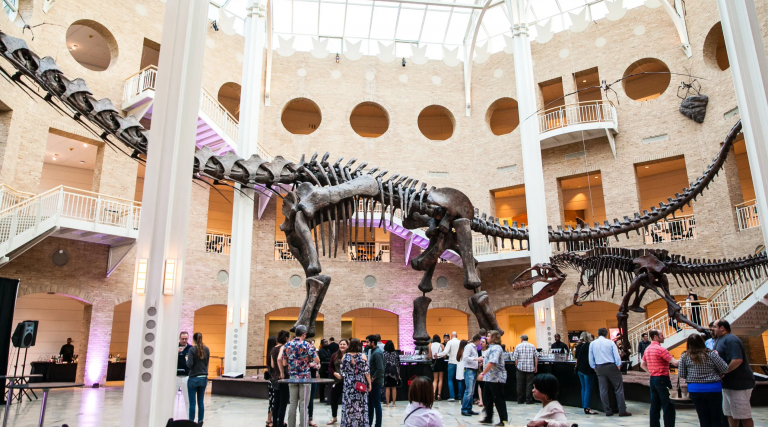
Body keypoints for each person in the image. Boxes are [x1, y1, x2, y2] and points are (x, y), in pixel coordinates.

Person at [678, 334, 728, 427]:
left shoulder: (684, 356)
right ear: (702, 342)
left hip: (695, 389)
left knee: (703, 417)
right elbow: (724, 368)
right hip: (713, 388)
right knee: (716, 417)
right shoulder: (711, 354)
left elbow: (682, 374)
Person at [713, 319, 755, 427]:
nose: (712, 329)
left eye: (714, 327)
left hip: (739, 384)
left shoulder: (731, 340)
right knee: (730, 413)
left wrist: (724, 371)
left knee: (743, 414)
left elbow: (737, 360)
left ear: (722, 328)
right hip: (728, 384)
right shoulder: (719, 340)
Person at [279, 325, 320, 427]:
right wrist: (307, 362)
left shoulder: (287, 345)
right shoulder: (307, 345)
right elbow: (317, 360)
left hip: (292, 378)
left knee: (293, 404)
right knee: (303, 404)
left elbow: (284, 363)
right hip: (305, 378)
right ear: (304, 334)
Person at [589, 327, 631, 417]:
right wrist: (618, 364)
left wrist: (593, 367)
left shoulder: (592, 344)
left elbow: (591, 357)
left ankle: (607, 410)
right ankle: (622, 410)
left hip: (599, 367)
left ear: (598, 333)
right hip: (611, 366)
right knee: (618, 389)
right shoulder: (610, 342)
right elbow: (616, 354)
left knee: (603, 390)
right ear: (606, 334)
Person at [641, 329, 679, 427]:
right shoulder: (661, 350)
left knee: (655, 405)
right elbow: (675, 363)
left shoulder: (647, 349)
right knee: (668, 405)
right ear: (656, 337)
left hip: (653, 379)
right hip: (663, 379)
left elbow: (642, 364)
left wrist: (651, 372)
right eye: (662, 335)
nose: (664, 337)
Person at [477, 330, 507, 426]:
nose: (487, 338)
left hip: (496, 378)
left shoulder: (496, 348)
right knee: (487, 398)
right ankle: (488, 417)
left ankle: (503, 420)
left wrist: (482, 374)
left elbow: (492, 362)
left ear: (494, 338)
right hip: (489, 378)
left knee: (498, 400)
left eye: (489, 336)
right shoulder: (491, 348)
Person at [341, 338, 371, 427]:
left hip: (348, 384)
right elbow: (367, 372)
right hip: (360, 384)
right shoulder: (363, 356)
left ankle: (348, 424)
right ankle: (361, 424)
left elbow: (342, 372)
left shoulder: (345, 356)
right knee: (361, 406)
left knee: (348, 406)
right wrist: (369, 383)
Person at [186, 332, 210, 426]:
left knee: (192, 402)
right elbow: (206, 363)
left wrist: (186, 360)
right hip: (203, 378)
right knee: (201, 402)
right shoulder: (207, 349)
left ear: (194, 339)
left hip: (193, 378)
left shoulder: (192, 349)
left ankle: (191, 422)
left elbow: (190, 364)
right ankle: (200, 422)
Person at [574, 332, 597, 415]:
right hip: (587, 369)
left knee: (583, 388)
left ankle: (584, 406)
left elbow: (576, 359)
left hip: (579, 369)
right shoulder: (589, 346)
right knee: (588, 389)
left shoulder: (578, 346)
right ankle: (587, 407)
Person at [271, 330, 290, 427]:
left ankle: (275, 424)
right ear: (286, 338)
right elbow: (280, 360)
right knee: (283, 403)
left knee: (276, 403)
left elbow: (272, 365)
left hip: (274, 378)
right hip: (283, 379)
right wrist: (282, 371)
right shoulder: (284, 347)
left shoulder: (274, 348)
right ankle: (281, 424)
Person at [327, 339, 348, 425]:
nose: (342, 345)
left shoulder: (350, 355)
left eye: (344, 344)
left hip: (348, 382)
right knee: (334, 399)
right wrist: (335, 373)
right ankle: (334, 417)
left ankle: (347, 418)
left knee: (347, 401)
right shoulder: (334, 355)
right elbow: (330, 367)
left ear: (347, 346)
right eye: (341, 344)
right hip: (337, 381)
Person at [512, 334, 537, 404]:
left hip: (520, 368)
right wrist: (536, 367)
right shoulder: (532, 346)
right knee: (529, 384)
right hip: (530, 368)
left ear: (522, 339)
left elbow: (515, 357)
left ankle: (520, 399)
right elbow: (536, 357)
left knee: (520, 384)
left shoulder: (518, 346)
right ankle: (528, 399)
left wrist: (517, 365)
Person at [460, 334, 481, 416]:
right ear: (478, 340)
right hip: (469, 370)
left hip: (473, 370)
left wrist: (478, 362)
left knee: (471, 391)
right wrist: (476, 359)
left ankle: (469, 408)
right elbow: (465, 357)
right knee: (468, 391)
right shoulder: (469, 347)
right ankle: (464, 409)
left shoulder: (474, 347)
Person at [366, 334, 385, 427]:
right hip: (373, 381)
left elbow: (380, 369)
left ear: (372, 342)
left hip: (376, 382)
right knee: (370, 403)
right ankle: (369, 422)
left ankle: (378, 424)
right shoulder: (373, 351)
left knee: (376, 403)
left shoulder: (377, 353)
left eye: (368, 342)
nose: (366, 344)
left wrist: (372, 379)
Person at [438, 331, 461, 402]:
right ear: (456, 335)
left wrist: (438, 355)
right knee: (459, 379)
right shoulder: (460, 342)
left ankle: (452, 396)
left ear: (451, 336)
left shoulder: (449, 342)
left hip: (451, 362)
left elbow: (445, 352)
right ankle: (460, 396)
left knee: (450, 379)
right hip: (459, 363)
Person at [176, 332, 192, 417]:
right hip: (175, 376)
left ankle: (188, 418)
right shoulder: (175, 347)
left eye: (186, 339)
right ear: (179, 338)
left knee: (187, 399)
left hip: (186, 376)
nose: (184, 340)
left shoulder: (190, 349)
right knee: (171, 398)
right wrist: (176, 351)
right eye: (183, 339)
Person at [383, 340, 401, 407]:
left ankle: (387, 404)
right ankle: (393, 404)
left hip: (386, 371)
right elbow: (398, 364)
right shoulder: (396, 353)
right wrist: (398, 374)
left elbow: (383, 363)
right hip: (394, 371)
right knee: (394, 387)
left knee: (387, 387)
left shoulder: (384, 353)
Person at [428, 335, 445, 399]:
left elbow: (430, 356)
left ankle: (433, 394)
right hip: (440, 362)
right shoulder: (441, 345)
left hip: (434, 362)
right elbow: (445, 356)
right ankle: (439, 395)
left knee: (435, 379)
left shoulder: (430, 345)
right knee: (440, 379)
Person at [266, 336, 278, 427]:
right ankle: (269, 420)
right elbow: (274, 366)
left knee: (273, 401)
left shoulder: (269, 353)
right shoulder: (272, 353)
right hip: (273, 380)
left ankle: (272, 419)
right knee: (272, 401)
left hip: (271, 379)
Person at [318, 339, 331, 404]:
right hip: (323, 369)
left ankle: (326, 397)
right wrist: (331, 359)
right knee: (322, 385)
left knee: (327, 384)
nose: (327, 343)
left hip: (327, 368)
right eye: (325, 342)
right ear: (322, 343)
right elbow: (323, 358)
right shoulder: (321, 351)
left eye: (327, 342)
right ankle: (322, 398)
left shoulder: (328, 350)